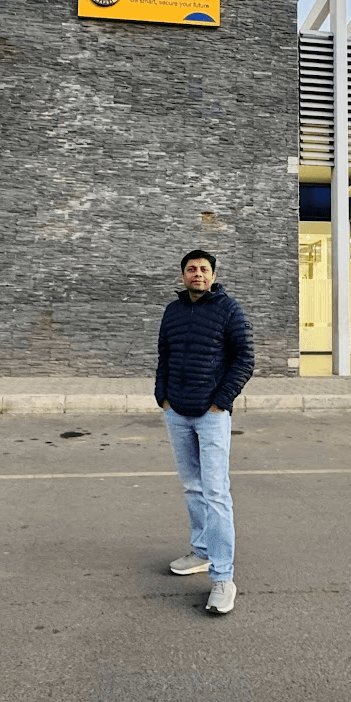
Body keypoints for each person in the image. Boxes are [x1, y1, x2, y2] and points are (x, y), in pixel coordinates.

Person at [155, 249, 254, 614]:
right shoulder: (173, 311)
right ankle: (201, 550)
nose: (198, 273)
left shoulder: (228, 309)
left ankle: (223, 577)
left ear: (213, 275)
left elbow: (245, 357)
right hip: (176, 411)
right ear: (183, 275)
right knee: (192, 487)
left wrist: (221, 401)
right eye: (191, 269)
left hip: (211, 414)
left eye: (204, 269)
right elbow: (164, 354)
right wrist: (161, 396)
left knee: (215, 493)